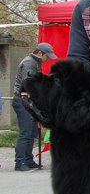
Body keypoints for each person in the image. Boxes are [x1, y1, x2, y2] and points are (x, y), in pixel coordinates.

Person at [12, 42, 57, 171]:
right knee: (26, 132)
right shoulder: (29, 63)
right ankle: (20, 162)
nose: (48, 58)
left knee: (32, 132)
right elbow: (29, 84)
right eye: (47, 56)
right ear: (39, 53)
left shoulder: (35, 62)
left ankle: (28, 159)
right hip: (23, 101)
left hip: (29, 101)